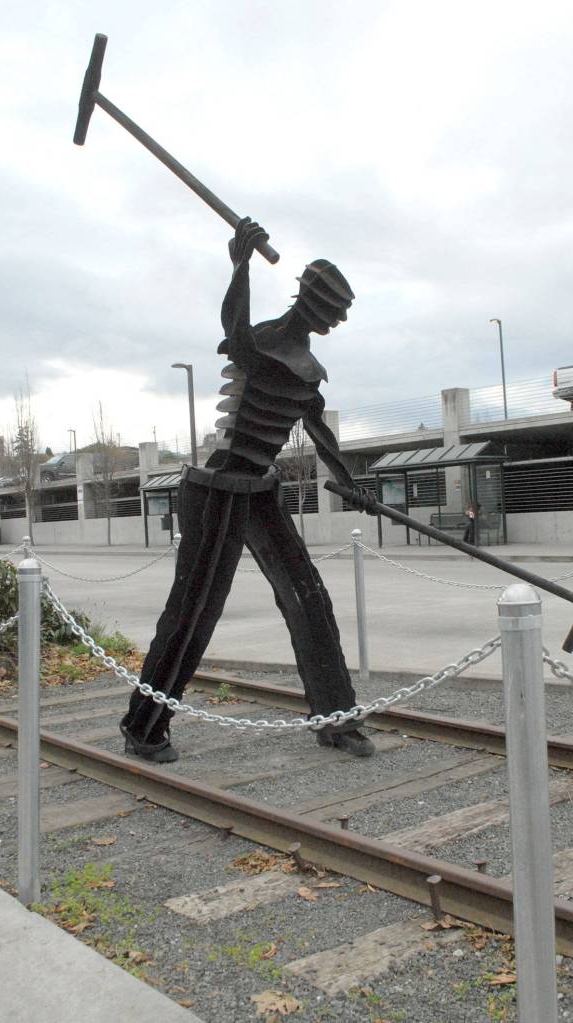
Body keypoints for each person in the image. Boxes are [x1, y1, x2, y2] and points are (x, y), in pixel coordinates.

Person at [120, 218, 376, 763]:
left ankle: (336, 718)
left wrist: (353, 486)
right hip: (216, 491)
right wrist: (239, 267)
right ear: (305, 298)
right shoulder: (258, 342)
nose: (326, 319)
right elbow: (233, 332)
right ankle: (144, 725)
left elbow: (321, 434)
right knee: (194, 610)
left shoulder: (310, 371)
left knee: (309, 599)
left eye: (332, 315)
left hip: (260, 490)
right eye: (324, 307)